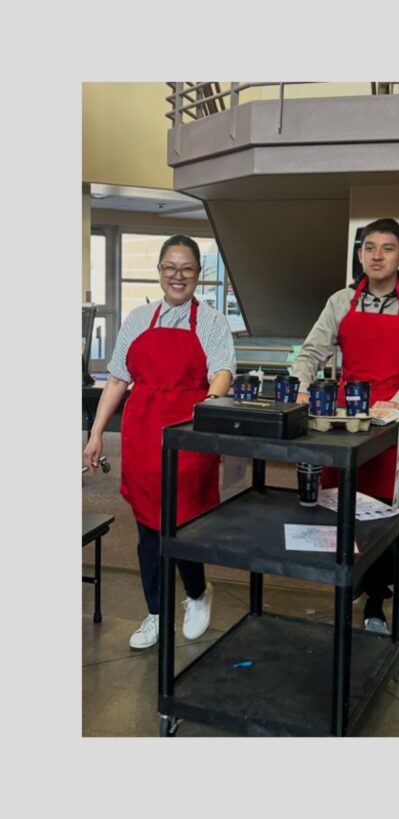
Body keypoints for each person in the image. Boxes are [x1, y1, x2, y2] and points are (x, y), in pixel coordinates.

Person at [291, 218, 399, 634]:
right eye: (369, 247)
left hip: (395, 422)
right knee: (340, 506)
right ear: (360, 253)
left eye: (387, 248)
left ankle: (377, 600)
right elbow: (310, 352)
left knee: (386, 513)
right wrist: (301, 385)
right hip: (345, 420)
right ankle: (351, 582)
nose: (377, 256)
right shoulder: (341, 301)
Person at [83, 235, 236, 649]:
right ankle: (155, 612)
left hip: (189, 434)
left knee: (184, 522)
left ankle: (198, 593)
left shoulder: (210, 321)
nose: (178, 275)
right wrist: (96, 433)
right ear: (160, 270)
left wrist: (208, 403)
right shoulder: (138, 319)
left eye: (187, 268)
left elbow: (222, 370)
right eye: (170, 267)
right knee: (148, 527)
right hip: (143, 435)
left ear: (197, 276)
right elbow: (117, 378)